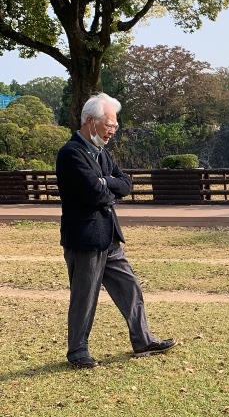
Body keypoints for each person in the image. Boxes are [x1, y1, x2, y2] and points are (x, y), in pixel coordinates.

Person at [56, 93, 175, 368]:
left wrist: (106, 180)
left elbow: (125, 183)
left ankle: (142, 339)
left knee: (129, 287)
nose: (113, 130)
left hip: (109, 238)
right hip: (85, 239)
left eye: (115, 126)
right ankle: (77, 353)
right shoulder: (71, 153)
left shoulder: (101, 152)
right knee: (84, 298)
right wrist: (107, 187)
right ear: (90, 121)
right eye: (110, 125)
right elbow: (95, 195)